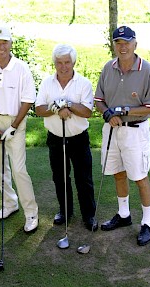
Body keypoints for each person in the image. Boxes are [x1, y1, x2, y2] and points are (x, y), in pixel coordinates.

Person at [94, 26, 150, 246]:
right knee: (118, 173)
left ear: (135, 45)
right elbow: (98, 101)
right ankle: (124, 215)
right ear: (114, 45)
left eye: (126, 43)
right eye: (118, 43)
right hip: (112, 130)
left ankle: (147, 223)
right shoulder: (108, 68)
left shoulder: (146, 70)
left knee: (140, 177)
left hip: (135, 132)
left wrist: (123, 111)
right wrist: (107, 114)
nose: (123, 47)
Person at [0, 26, 39, 233]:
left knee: (19, 169)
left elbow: (28, 100)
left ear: (11, 44)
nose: (1, 47)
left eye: (4, 42)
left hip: (16, 121)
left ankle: (31, 213)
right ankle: (9, 203)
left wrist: (13, 127)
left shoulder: (21, 68)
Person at [35, 44, 98, 231]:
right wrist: (56, 108)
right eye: (59, 63)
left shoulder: (84, 83)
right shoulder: (47, 83)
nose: (63, 67)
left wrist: (68, 104)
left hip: (78, 138)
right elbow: (39, 109)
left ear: (73, 62)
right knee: (60, 177)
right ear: (54, 63)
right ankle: (65, 211)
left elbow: (87, 111)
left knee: (83, 178)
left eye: (67, 62)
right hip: (55, 137)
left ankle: (89, 215)